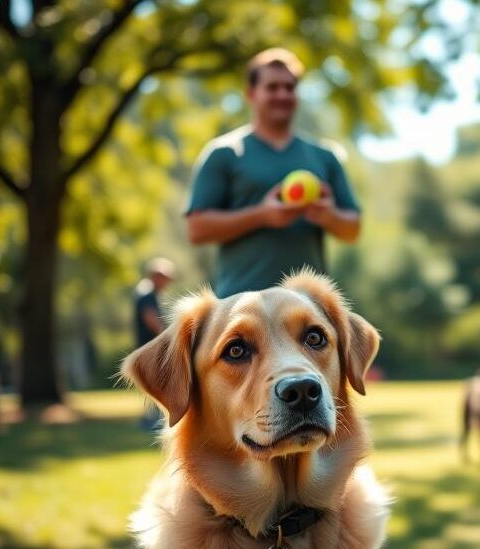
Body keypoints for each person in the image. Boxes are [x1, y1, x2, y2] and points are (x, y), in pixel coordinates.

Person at [185, 48, 361, 298]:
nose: (283, 94)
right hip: (242, 307)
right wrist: (262, 216)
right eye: (273, 87)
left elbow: (352, 229)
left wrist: (327, 215)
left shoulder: (324, 156)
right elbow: (196, 229)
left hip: (309, 308)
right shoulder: (224, 153)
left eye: (290, 87)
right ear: (251, 93)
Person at [134, 257, 176, 429]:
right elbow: (151, 320)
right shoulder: (147, 294)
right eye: (165, 278)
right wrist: (168, 338)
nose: (167, 283)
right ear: (156, 276)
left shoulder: (148, 293)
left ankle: (153, 418)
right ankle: (152, 420)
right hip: (151, 348)